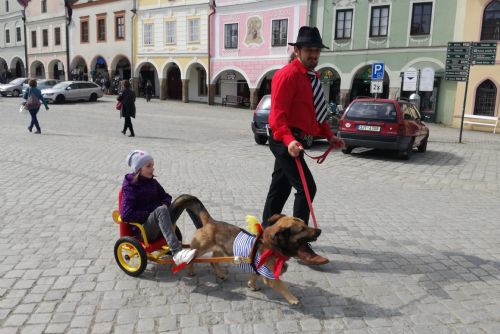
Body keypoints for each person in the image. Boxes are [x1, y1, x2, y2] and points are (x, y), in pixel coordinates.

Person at [261, 26, 344, 266]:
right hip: (283, 140)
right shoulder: (287, 75)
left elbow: (315, 114)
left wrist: (329, 135)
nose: (314, 55)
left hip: (296, 140)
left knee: (280, 189)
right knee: (307, 187)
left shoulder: (312, 77)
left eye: (317, 51)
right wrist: (289, 141)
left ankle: (268, 234)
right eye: (309, 50)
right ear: (297, 50)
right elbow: (277, 117)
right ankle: (301, 245)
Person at [120, 150, 197, 265]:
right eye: (148, 166)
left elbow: (166, 196)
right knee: (160, 211)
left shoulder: (153, 182)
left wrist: (165, 205)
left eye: (153, 165)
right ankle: (177, 253)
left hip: (158, 224)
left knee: (182, 201)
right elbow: (126, 214)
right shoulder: (131, 188)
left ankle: (203, 229)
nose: (152, 168)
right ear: (139, 169)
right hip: (144, 231)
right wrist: (151, 213)